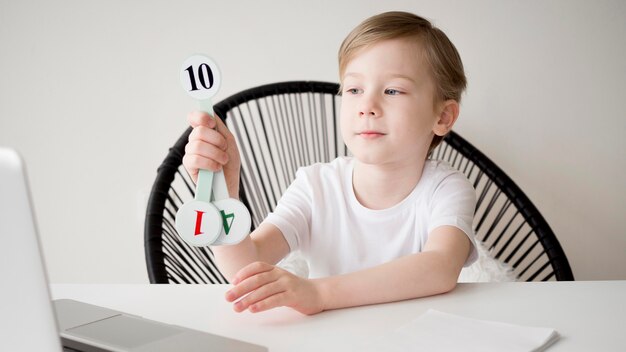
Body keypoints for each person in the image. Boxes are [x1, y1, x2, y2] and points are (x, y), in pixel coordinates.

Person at [183, 11, 477, 315]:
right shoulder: (316, 186)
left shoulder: (446, 188)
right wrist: (223, 191)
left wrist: (319, 293)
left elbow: (439, 267)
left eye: (392, 90)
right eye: (354, 90)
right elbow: (245, 267)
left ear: (442, 117)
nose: (367, 106)